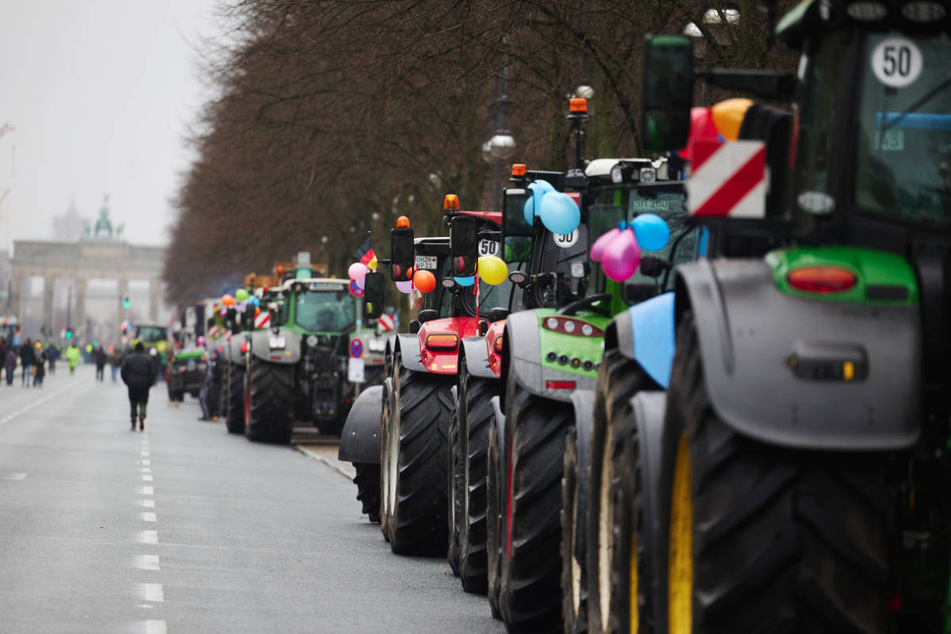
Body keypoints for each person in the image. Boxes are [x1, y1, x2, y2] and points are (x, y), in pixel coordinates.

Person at [121, 342, 157, 431]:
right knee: (143, 401)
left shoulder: (129, 359)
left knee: (133, 403)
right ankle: (142, 414)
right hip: (144, 384)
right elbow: (152, 373)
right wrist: (150, 383)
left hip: (132, 384)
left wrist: (127, 381)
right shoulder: (148, 359)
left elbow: (123, 372)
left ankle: (133, 423)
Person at [198, 350, 220, 421]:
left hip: (207, 385)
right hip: (203, 384)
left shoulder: (208, 364)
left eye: (203, 356)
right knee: (202, 399)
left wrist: (205, 383)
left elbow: (209, 375)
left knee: (203, 399)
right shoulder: (203, 364)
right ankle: (205, 414)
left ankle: (206, 415)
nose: (202, 357)